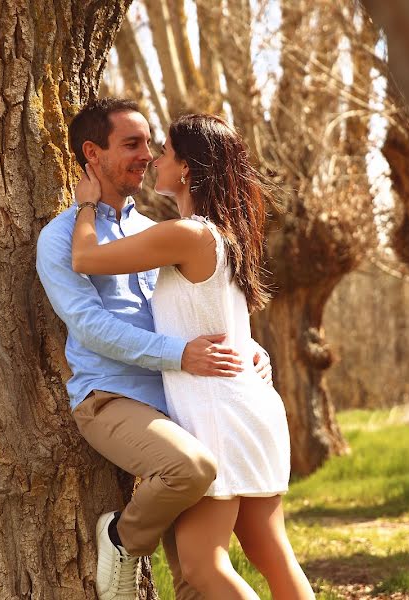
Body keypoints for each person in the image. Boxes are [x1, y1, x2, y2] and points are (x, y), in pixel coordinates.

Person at [36, 98, 273, 600]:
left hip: (184, 402)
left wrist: (250, 348)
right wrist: (179, 354)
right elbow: (90, 325)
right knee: (191, 468)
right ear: (91, 153)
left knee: (197, 573)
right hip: (111, 397)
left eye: (151, 144)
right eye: (132, 144)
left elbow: (201, 306)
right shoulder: (60, 237)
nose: (147, 154)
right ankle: (123, 540)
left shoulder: (155, 233)